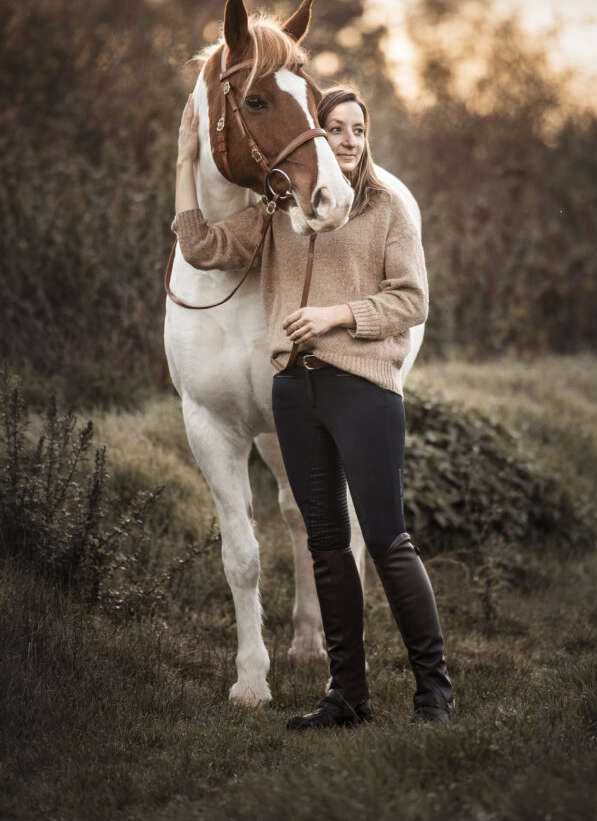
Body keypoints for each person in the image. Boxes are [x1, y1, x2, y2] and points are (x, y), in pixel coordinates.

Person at [172, 84, 455, 729]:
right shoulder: (276, 214)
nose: (348, 139)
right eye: (336, 129)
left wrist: (337, 315)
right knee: (326, 544)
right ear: (316, 136)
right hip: (295, 393)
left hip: (363, 390)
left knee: (385, 539)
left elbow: (412, 302)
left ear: (367, 137)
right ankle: (347, 695)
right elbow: (200, 247)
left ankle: (433, 691)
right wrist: (184, 164)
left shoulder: (386, 210)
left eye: (359, 129)